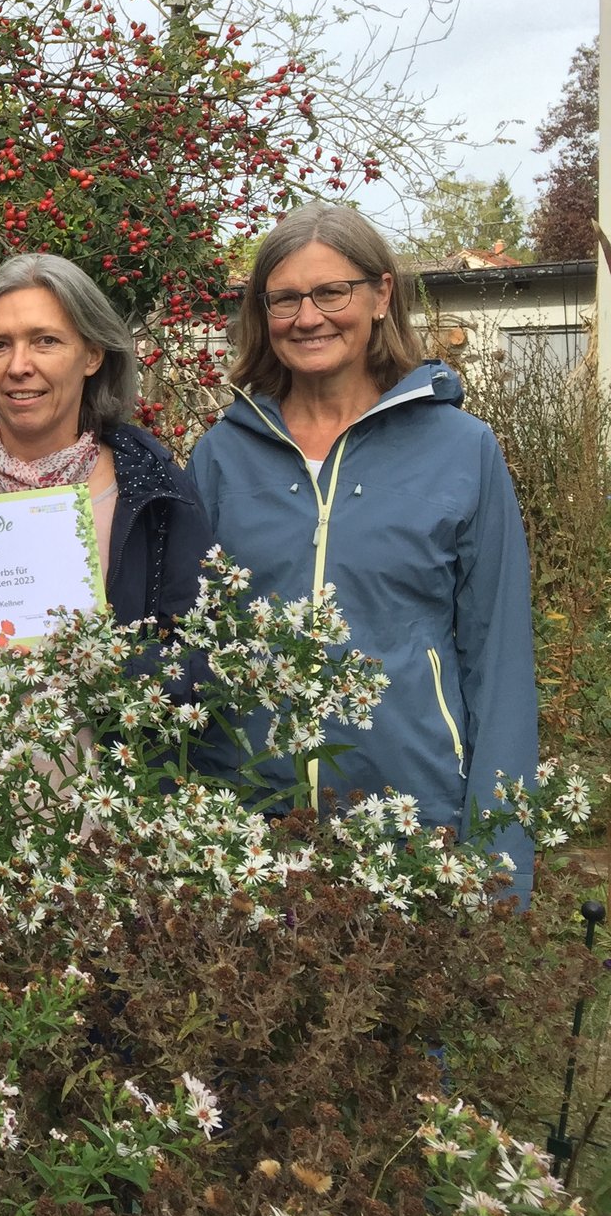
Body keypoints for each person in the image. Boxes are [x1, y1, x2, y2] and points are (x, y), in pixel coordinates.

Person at [185, 202, 537, 897]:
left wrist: (502, 860)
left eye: (331, 292)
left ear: (380, 295)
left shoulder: (462, 450)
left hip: (410, 824)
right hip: (248, 831)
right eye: (283, 298)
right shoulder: (221, 454)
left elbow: (499, 661)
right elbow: (188, 645)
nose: (308, 317)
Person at [0, 252, 214, 727]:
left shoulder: (153, 488)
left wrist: (100, 667)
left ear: (93, 355)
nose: (19, 365)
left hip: (114, 793)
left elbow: (202, 656)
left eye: (46, 341)